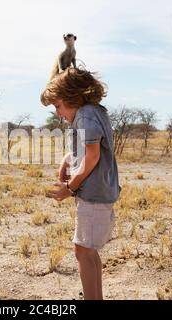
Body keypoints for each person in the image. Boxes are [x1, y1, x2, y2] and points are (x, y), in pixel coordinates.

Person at [42, 68, 120, 300]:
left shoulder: (85, 114)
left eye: (58, 106)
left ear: (72, 98)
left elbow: (93, 155)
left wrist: (70, 187)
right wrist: (67, 160)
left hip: (93, 194)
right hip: (98, 193)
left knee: (82, 251)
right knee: (88, 251)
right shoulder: (93, 112)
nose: (58, 113)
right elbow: (89, 149)